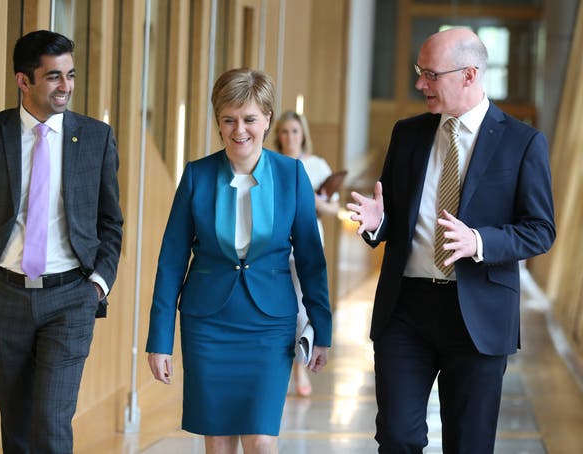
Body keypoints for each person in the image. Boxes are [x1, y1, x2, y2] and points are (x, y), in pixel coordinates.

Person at [346, 27, 555, 453]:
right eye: (419, 72)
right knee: (397, 438)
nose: (420, 84)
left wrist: (479, 241)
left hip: (478, 316)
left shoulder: (522, 142)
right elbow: (393, 216)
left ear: (469, 75)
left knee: (468, 445)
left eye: (431, 74)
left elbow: (540, 229)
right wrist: (377, 224)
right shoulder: (407, 133)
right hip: (405, 310)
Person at [0, 30, 123, 453]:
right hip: (3, 298)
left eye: (71, 75)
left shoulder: (96, 138)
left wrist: (98, 284)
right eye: (53, 77)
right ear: (22, 81)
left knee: (50, 421)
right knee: (17, 425)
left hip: (70, 298)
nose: (66, 86)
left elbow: (111, 222)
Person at [146, 68, 332, 454]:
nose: (239, 130)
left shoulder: (291, 175)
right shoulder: (197, 175)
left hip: (269, 325)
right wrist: (159, 340)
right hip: (208, 324)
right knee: (217, 440)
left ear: (267, 119)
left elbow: (312, 260)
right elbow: (171, 263)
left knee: (262, 440)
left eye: (249, 119)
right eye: (229, 120)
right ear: (218, 121)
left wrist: (322, 328)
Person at [273, 111, 339, 397]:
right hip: (276, 246)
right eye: (285, 131)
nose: (290, 137)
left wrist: (312, 201)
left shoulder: (316, 165)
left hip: (308, 245)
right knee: (280, 308)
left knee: (302, 309)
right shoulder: (271, 163)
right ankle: (281, 367)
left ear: (303, 134)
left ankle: (300, 367)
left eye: (295, 131)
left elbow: (333, 209)